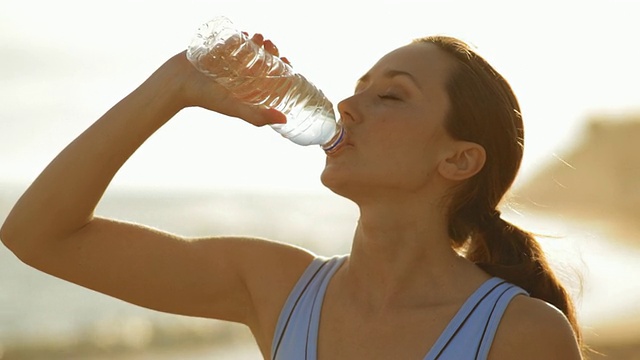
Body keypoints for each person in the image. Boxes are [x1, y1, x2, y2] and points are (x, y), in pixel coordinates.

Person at [1, 30, 584, 359]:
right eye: (358, 89)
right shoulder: (277, 287)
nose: (347, 107)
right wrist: (173, 84)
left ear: (458, 159)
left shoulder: (521, 335)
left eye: (392, 97)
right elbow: (35, 235)